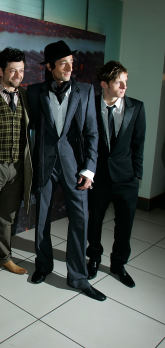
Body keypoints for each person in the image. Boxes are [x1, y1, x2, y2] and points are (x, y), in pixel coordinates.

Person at [27, 40, 106, 301]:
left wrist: (90, 169)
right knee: (41, 221)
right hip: (45, 165)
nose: (69, 67)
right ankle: (43, 266)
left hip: (76, 168)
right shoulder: (35, 91)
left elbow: (93, 133)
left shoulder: (85, 90)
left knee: (80, 220)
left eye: (71, 62)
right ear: (50, 67)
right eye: (63, 63)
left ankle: (78, 277)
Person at [86, 61, 145, 287]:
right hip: (99, 177)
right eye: (118, 82)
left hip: (126, 179)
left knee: (125, 224)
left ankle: (118, 264)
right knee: (95, 222)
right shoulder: (90, 105)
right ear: (104, 84)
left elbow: (139, 145)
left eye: (125, 82)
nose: (123, 86)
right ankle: (94, 258)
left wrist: (136, 177)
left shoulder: (136, 107)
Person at [0, 48, 32, 275]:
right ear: (1, 70)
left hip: (17, 167)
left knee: (7, 216)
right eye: (13, 70)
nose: (18, 75)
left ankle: (3, 256)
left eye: (21, 70)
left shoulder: (25, 96)